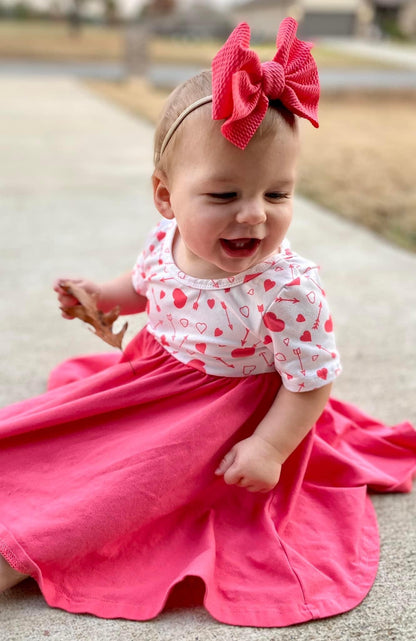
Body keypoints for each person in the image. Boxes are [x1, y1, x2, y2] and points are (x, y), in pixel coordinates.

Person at [0, 18, 415, 628]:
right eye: (224, 197)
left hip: (226, 415)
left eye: (277, 195)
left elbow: (311, 381)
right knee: (52, 447)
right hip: (148, 382)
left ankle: (22, 550)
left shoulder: (286, 289)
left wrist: (269, 448)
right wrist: (100, 296)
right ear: (166, 197)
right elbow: (143, 288)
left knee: (128, 487)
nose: (253, 216)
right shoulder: (166, 241)